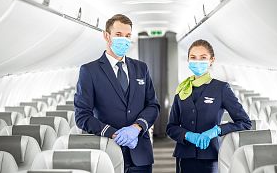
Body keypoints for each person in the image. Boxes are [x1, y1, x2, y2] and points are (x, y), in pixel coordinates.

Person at [74, 14, 160, 173]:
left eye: (128, 36)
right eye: (119, 35)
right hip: (107, 153)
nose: (124, 40)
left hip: (140, 153)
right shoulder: (89, 71)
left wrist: (137, 127)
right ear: (107, 36)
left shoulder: (141, 68)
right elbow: (82, 116)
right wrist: (114, 134)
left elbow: (153, 105)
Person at [166, 39, 251, 173]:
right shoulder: (182, 89)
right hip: (184, 156)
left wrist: (216, 131)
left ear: (211, 60)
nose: (197, 61)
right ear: (188, 60)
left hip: (210, 156)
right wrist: (188, 135)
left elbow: (245, 122)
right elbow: (171, 127)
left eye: (203, 57)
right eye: (193, 57)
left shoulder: (221, 88)